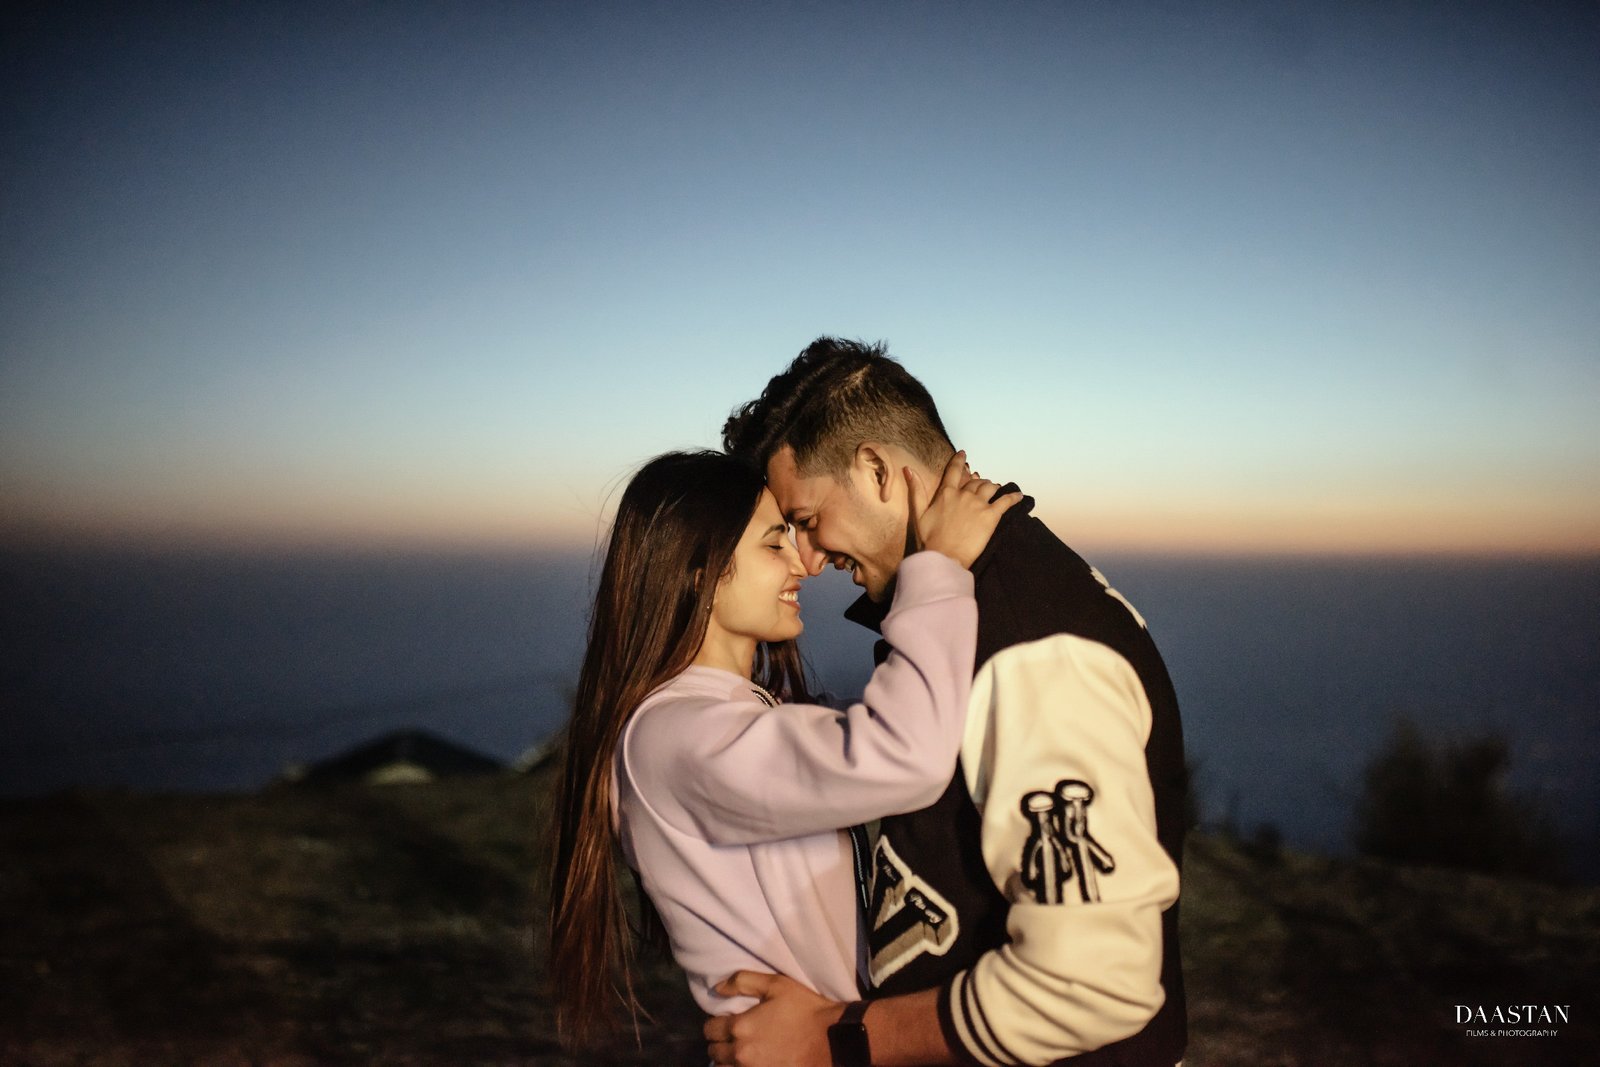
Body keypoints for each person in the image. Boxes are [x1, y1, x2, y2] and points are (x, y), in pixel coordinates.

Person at [708, 339, 1189, 1067]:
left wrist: (838, 1036)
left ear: (875, 470)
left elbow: (1095, 984)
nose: (808, 558)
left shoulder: (1032, 646)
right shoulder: (964, 600)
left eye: (807, 519)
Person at [547, 449, 1021, 1048]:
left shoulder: (716, 716)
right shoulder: (674, 737)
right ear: (701, 571)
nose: (802, 563)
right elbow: (906, 754)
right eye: (774, 544)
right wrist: (939, 567)